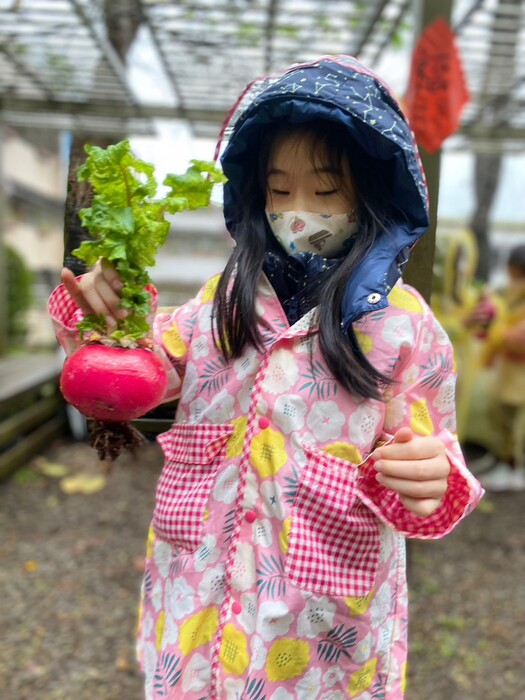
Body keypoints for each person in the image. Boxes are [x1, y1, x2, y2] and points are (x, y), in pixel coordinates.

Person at [49, 56, 483, 700]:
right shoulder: (219, 306)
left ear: (372, 192)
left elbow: (429, 454)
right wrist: (105, 319)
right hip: (197, 596)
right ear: (256, 195)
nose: (299, 210)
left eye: (326, 189)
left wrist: (431, 476)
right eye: (280, 191)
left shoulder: (404, 330)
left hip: (320, 630)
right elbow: (140, 368)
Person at [468, 243, 525, 491]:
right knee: (502, 416)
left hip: (519, 376)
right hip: (509, 374)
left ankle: (515, 468)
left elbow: (517, 338)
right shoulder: (512, 293)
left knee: (518, 425)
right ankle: (501, 457)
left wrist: (495, 334)